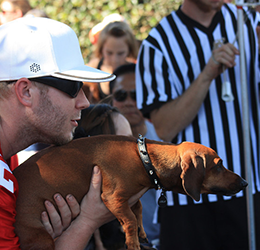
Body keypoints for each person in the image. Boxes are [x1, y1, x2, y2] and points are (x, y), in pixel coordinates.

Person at [0, 17, 146, 249]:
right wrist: (87, 220)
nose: (85, 102)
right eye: (73, 87)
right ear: (26, 91)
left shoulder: (9, 159)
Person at [136, 1, 260, 250]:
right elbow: (164, 128)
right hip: (186, 199)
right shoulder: (158, 42)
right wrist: (207, 74)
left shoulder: (248, 20)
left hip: (248, 189)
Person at [109, 63, 161, 249]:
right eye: (121, 95)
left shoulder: (164, 137)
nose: (129, 102)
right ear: (112, 99)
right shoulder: (102, 146)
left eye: (136, 95)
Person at [74, 103, 133, 250]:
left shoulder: (124, 202)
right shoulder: (67, 213)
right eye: (124, 144)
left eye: (133, 141)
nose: (135, 152)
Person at [85, 21, 139, 102]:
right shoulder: (91, 72)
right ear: (101, 49)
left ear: (129, 50)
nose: (115, 60)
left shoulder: (135, 73)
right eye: (109, 53)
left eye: (121, 53)